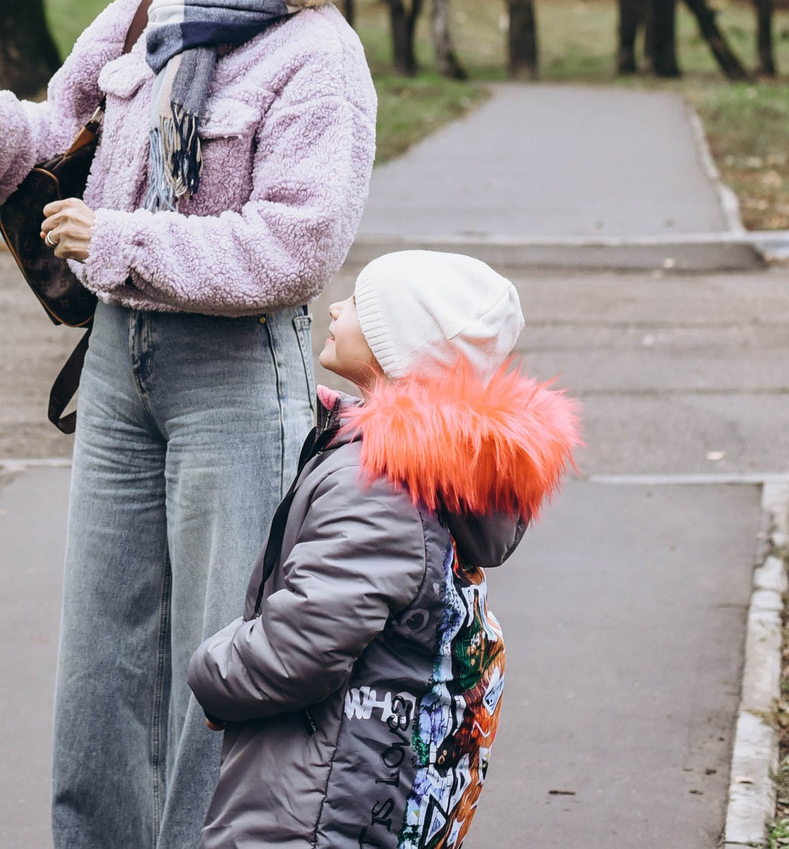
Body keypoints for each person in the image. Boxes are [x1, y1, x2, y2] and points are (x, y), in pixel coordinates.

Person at [0, 0, 380, 849]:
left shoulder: (317, 57)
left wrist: (121, 240)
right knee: (103, 656)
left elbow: (298, 243)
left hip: (235, 370)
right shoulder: (143, 10)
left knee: (220, 658)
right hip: (122, 362)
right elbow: (58, 127)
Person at [186, 250, 578, 849]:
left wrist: (215, 672)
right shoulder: (407, 466)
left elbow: (304, 645)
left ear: (396, 349)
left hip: (319, 797)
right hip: (357, 779)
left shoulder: (378, 483)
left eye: (360, 305)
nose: (337, 306)